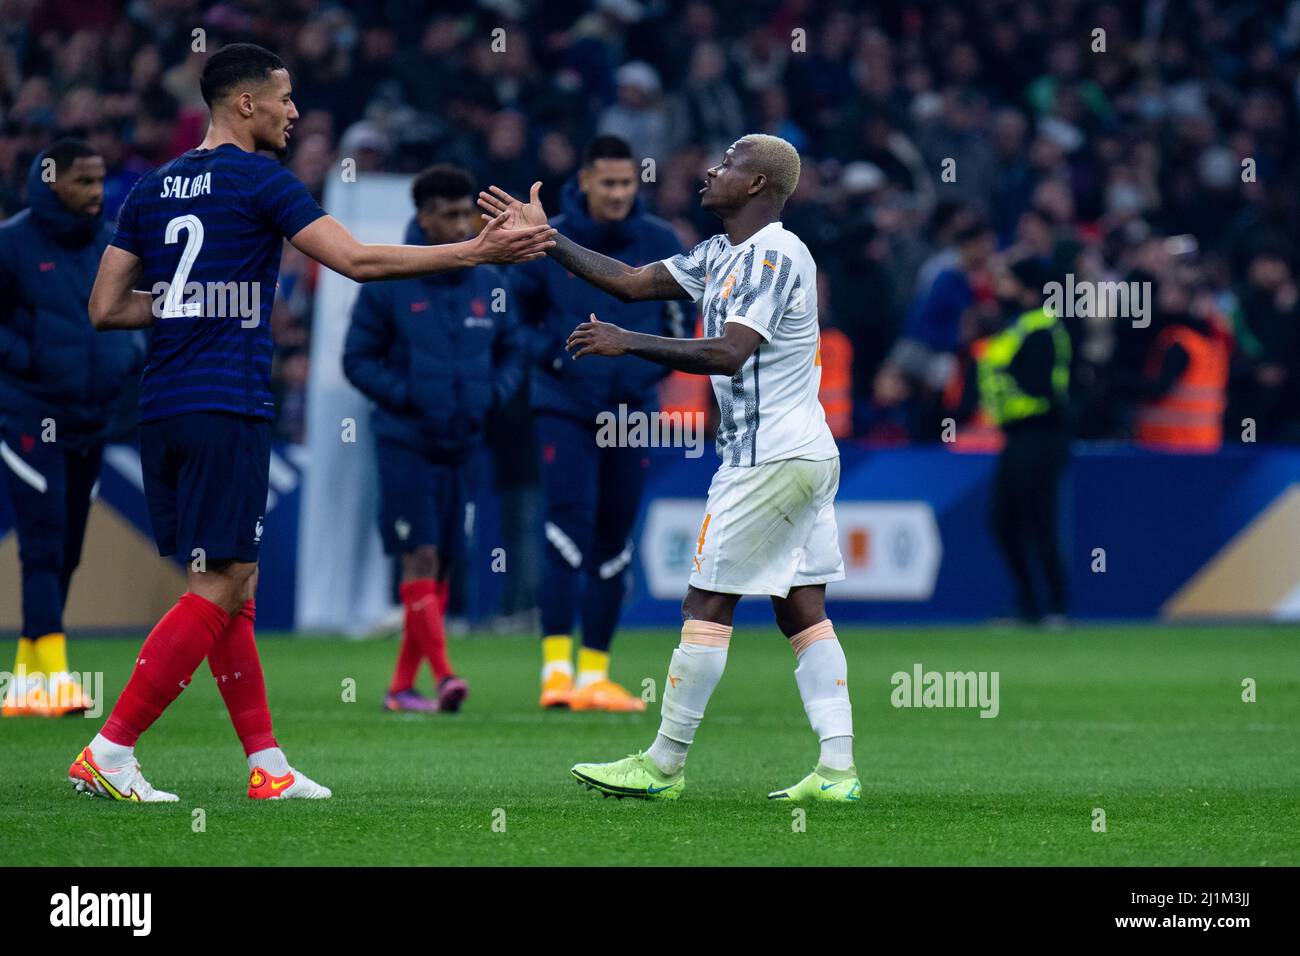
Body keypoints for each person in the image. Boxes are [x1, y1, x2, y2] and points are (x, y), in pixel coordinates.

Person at [70, 42, 554, 803]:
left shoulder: (153, 187)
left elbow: (104, 308)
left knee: (232, 582)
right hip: (225, 403)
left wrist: (186, 305)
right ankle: (112, 745)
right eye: (285, 98)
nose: (295, 112)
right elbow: (356, 261)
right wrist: (479, 249)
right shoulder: (263, 180)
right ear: (245, 104)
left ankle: (267, 765)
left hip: (163, 408)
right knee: (220, 582)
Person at [480, 134, 859, 802]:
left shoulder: (776, 252)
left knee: (706, 603)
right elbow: (629, 283)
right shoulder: (719, 254)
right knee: (800, 609)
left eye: (728, 163)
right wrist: (549, 240)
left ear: (754, 186)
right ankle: (837, 771)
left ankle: (662, 765)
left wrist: (630, 344)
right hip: (797, 454)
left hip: (770, 456)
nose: (710, 170)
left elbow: (731, 352)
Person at [510, 135, 684, 711]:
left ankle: (595, 676)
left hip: (632, 412)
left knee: (615, 536)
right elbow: (515, 320)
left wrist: (640, 369)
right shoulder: (546, 237)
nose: (617, 193)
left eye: (626, 183)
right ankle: (555, 672)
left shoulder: (660, 241)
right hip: (563, 405)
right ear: (583, 179)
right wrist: (562, 356)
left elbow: (681, 326)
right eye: (607, 182)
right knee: (567, 528)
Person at [343, 163, 525, 714]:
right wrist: (410, 396)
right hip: (406, 441)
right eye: (447, 215)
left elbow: (513, 350)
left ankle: (401, 689)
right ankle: (446, 675)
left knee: (444, 559)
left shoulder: (489, 282)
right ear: (422, 217)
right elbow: (356, 359)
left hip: (465, 440)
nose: (459, 224)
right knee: (419, 554)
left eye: (464, 214)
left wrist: (490, 396)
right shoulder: (390, 281)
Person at [0, 138, 143, 717]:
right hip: (30, 415)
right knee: (43, 543)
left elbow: (133, 308)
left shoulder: (110, 243)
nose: (96, 192)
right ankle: (55, 679)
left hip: (91, 418)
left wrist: (128, 355)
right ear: (51, 180)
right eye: (83, 181)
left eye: (101, 179)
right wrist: (28, 358)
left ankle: (21, 684)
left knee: (68, 549)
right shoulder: (11, 244)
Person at [976, 257, 1072, 626]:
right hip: (1017, 436)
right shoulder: (1016, 326)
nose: (1000, 288)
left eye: (1007, 281)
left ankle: (1055, 608)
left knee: (1038, 522)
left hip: (1041, 434)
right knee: (1008, 521)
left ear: (1027, 289)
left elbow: (1040, 385)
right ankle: (1032, 606)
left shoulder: (1040, 327)